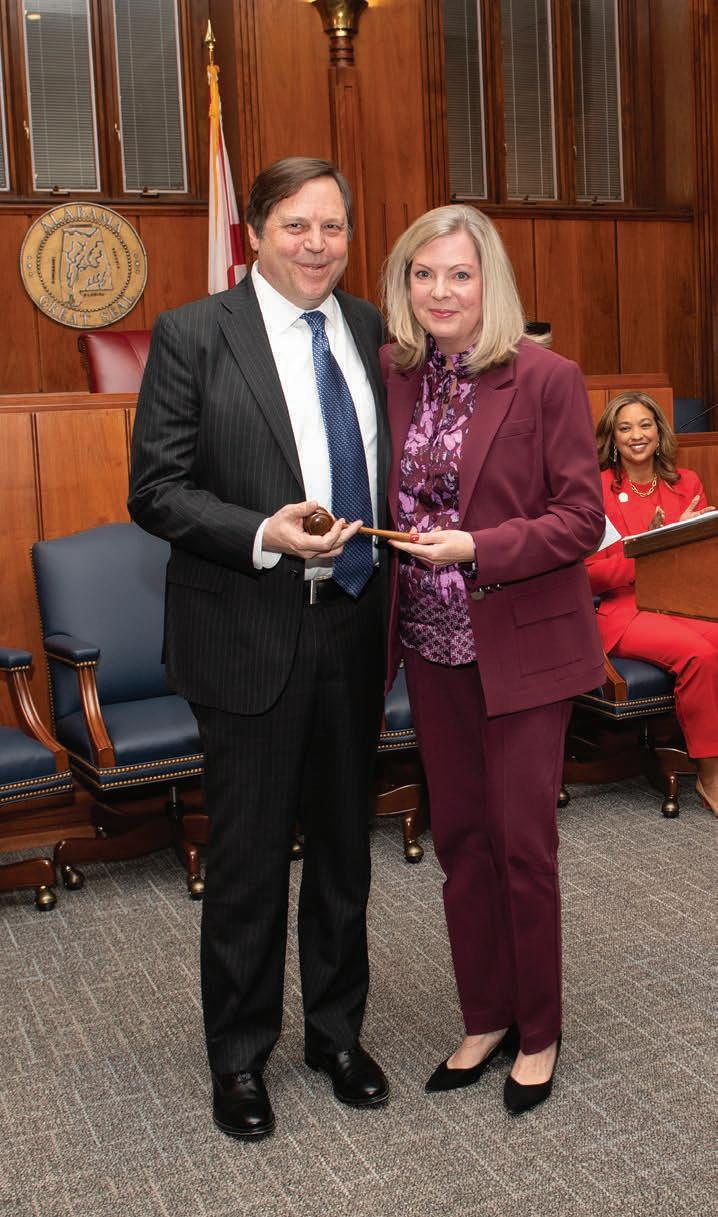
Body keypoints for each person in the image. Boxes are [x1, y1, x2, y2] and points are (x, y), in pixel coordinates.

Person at [129, 157, 391, 1140]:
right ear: (253, 232)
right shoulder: (194, 334)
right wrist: (262, 531)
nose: (317, 244)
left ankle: (336, 1032)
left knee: (344, 849)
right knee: (247, 860)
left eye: (333, 226)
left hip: (354, 621)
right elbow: (156, 488)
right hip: (247, 626)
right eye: (295, 225)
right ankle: (238, 1056)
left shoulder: (370, 328)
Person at [381, 204, 605, 1114]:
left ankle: (539, 1030)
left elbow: (581, 519)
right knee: (462, 841)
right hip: (431, 646)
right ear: (405, 284)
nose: (441, 291)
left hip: (523, 646)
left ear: (490, 283)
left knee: (521, 843)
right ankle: (484, 1014)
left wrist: (479, 546)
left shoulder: (547, 378)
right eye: (424, 274)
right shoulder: (395, 376)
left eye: (460, 274)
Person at [587, 391, 718, 814]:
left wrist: (695, 535)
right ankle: (710, 775)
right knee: (699, 655)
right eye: (625, 428)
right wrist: (646, 549)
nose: (637, 435)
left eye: (645, 425)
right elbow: (589, 575)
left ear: (660, 432)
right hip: (623, 609)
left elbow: (697, 564)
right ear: (613, 438)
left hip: (679, 602)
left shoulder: (686, 484)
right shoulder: (596, 491)